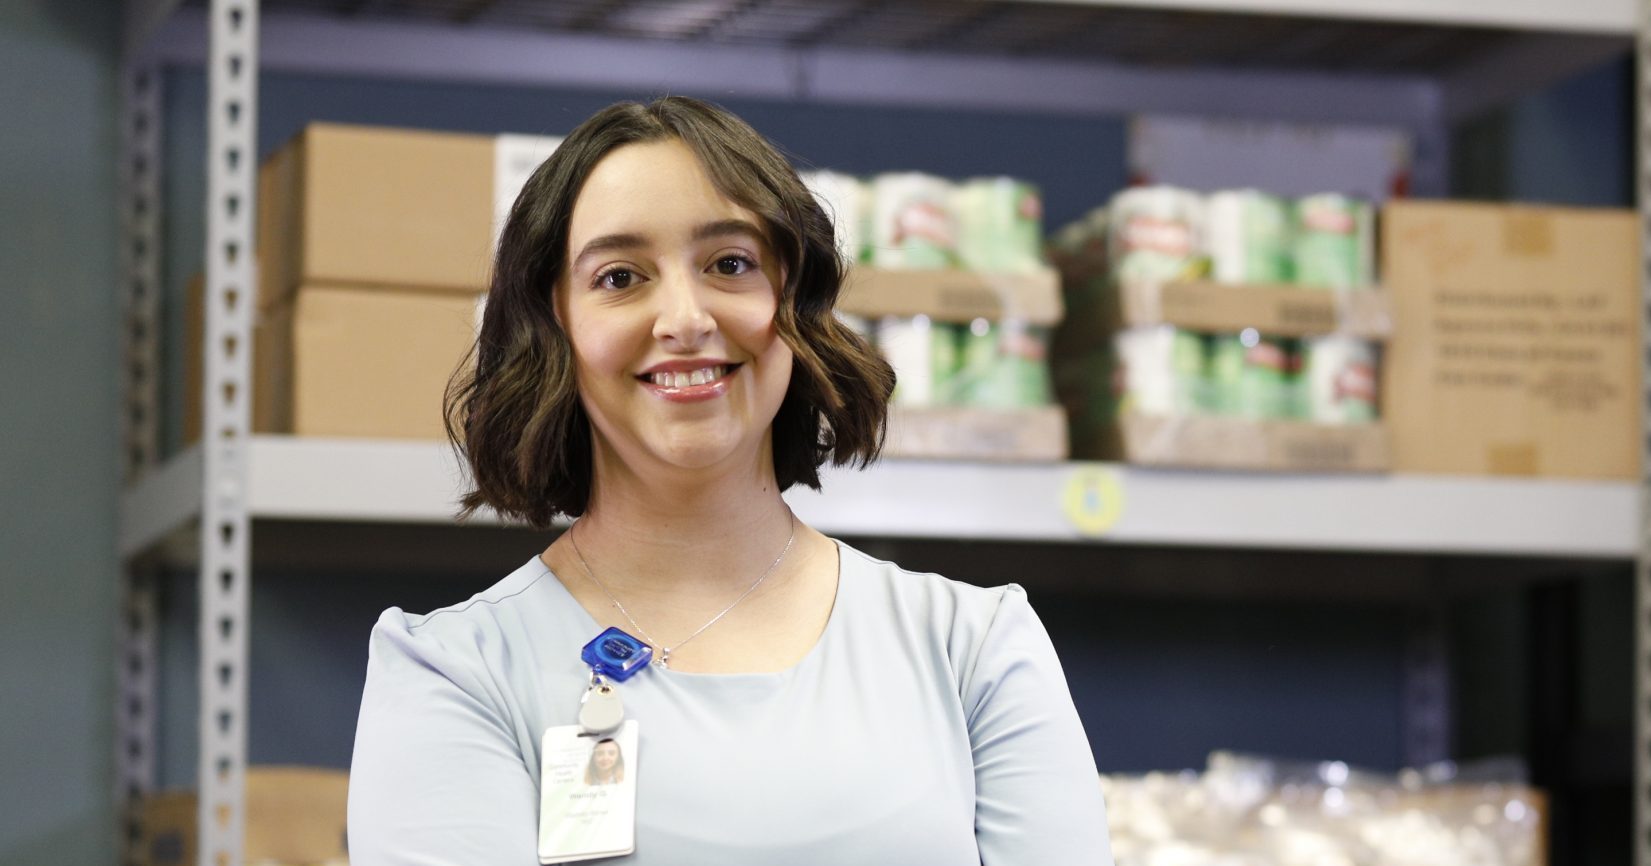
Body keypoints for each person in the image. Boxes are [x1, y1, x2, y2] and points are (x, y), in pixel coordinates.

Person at [347, 95, 1111, 865]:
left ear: (796, 302)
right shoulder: (456, 671)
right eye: (619, 277)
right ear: (556, 327)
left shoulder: (970, 649)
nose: (684, 318)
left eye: (730, 265)